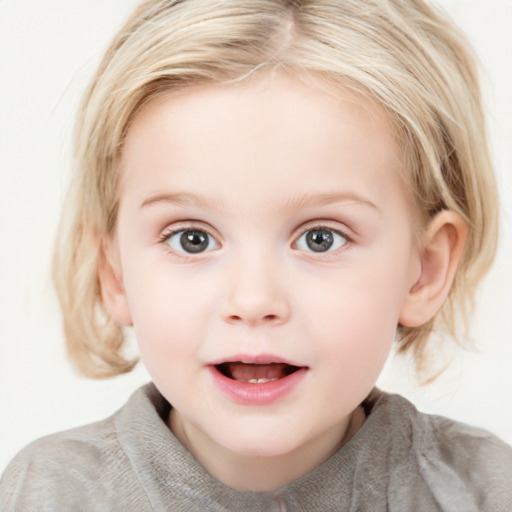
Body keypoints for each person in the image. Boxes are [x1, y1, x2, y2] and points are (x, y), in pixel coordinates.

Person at [1, 0, 511, 510]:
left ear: (424, 270)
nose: (252, 300)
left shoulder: (484, 491)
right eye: (191, 238)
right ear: (114, 273)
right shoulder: (49, 493)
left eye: (320, 238)